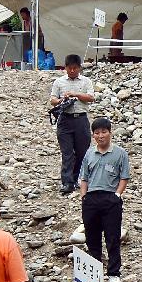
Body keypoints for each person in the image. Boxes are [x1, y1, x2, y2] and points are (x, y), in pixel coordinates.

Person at [79, 118, 130, 282]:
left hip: (110, 198)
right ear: (93, 135)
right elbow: (84, 177)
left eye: (104, 132)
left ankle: (114, 273)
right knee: (92, 237)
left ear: (110, 132)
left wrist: (117, 194)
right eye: (97, 133)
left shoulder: (120, 153)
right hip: (91, 199)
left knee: (112, 236)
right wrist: (83, 196)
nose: (100, 136)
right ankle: (94, 273)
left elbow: (124, 177)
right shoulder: (89, 153)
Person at [50, 54, 95, 195]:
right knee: (67, 152)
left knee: (82, 152)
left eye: (75, 68)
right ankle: (67, 182)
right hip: (65, 120)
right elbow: (52, 99)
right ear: (65, 68)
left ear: (80, 68)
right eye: (70, 68)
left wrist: (75, 95)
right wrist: (60, 101)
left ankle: (78, 179)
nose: (72, 71)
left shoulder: (86, 81)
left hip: (81, 119)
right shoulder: (59, 82)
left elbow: (91, 97)